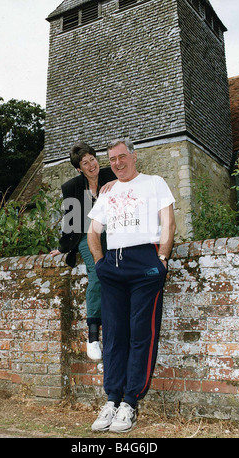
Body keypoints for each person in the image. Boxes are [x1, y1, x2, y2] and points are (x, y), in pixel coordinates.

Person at [87, 138, 176, 433]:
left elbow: (168, 222)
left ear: (134, 156)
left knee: (141, 333)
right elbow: (93, 231)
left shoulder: (154, 182)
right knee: (112, 335)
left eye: (122, 157)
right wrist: (100, 263)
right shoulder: (108, 191)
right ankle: (112, 398)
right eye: (112, 159)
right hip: (112, 265)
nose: (117, 163)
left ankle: (130, 403)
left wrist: (161, 258)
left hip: (144, 262)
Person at [50, 141, 116, 361]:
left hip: (115, 234)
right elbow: (70, 223)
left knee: (118, 274)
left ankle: (115, 330)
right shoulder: (72, 188)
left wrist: (116, 182)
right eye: (85, 163)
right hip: (87, 236)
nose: (91, 165)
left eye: (93, 159)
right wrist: (62, 248)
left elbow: (136, 185)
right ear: (79, 168)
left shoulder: (112, 175)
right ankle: (93, 336)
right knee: (97, 274)